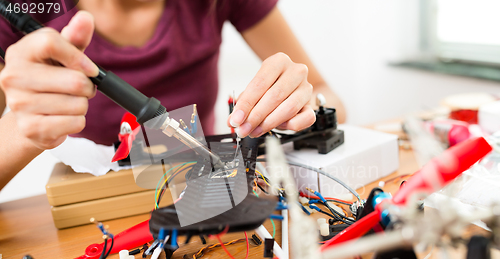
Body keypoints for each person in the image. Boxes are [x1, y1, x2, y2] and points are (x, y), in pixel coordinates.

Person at [0, 0, 345, 190]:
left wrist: (305, 106)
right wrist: (25, 129)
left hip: (202, 193)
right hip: (92, 216)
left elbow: (330, 99)